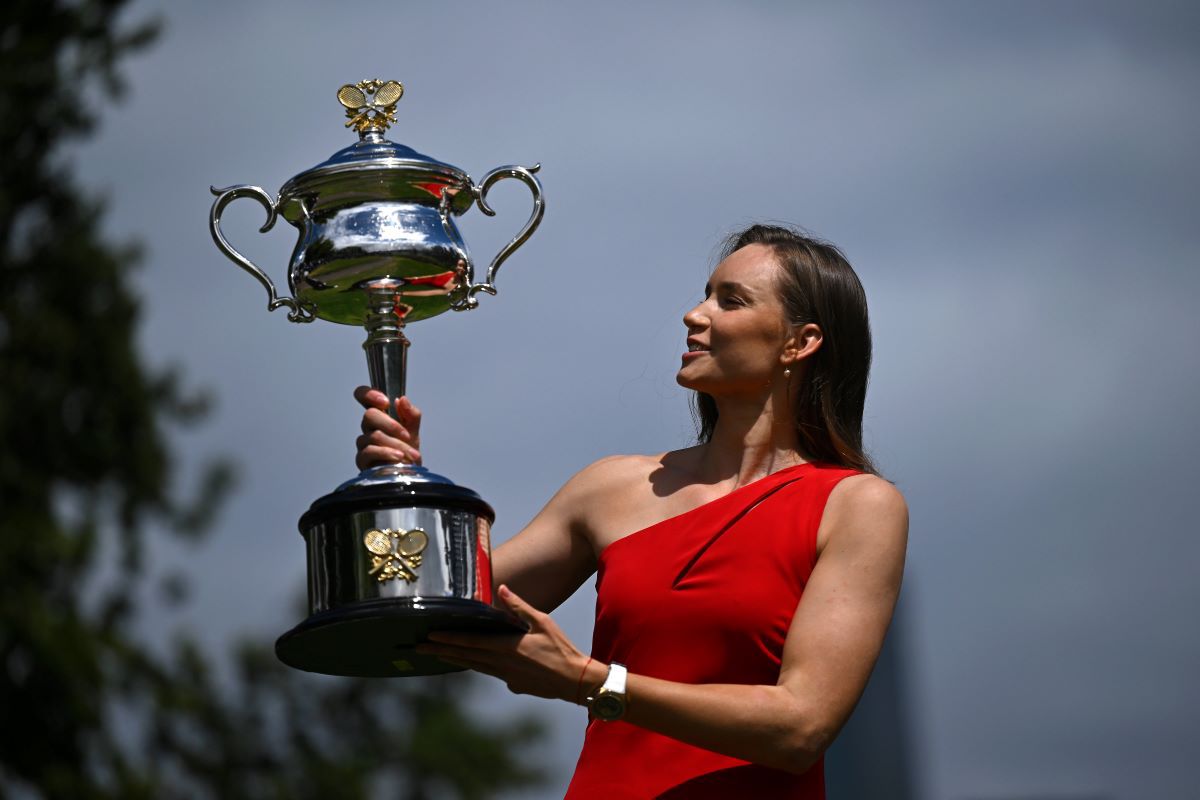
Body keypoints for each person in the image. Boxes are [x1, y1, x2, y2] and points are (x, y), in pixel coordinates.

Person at [354, 224, 908, 798]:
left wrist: (590, 682)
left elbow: (800, 728)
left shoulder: (856, 505)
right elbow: (430, 610)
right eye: (705, 294)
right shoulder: (611, 488)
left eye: (731, 300)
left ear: (800, 341)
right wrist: (402, 489)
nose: (694, 314)